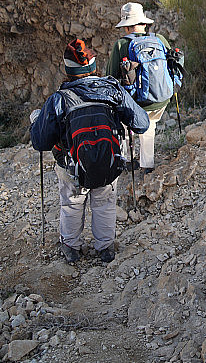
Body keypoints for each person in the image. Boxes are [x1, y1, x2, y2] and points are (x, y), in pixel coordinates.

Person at [31, 38, 149, 264]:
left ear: (67, 70)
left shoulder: (59, 99)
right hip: (108, 162)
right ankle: (105, 249)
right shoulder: (112, 90)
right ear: (94, 66)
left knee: (72, 204)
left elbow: (40, 142)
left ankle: (72, 248)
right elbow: (141, 123)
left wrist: (36, 120)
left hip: (71, 166)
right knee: (104, 203)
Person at [106, 2, 174, 172]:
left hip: (136, 101)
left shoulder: (121, 45)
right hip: (161, 98)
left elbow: (111, 75)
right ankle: (147, 166)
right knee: (149, 128)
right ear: (144, 23)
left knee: (124, 123)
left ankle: (128, 160)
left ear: (127, 27)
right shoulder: (160, 39)